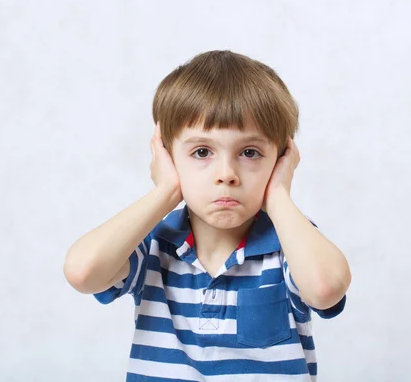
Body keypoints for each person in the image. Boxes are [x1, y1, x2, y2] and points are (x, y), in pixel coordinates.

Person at [63, 50, 351, 381]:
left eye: (250, 152)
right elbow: (83, 272)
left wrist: (278, 196)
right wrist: (165, 192)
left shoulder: (291, 243)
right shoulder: (154, 246)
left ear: (282, 159)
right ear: (167, 157)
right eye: (202, 152)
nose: (226, 174)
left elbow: (326, 287)